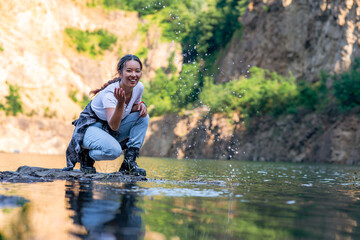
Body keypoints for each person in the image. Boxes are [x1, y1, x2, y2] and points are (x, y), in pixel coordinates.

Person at [63, 54, 149, 176]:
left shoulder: (139, 87)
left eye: (137, 71)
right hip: (90, 129)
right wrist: (120, 102)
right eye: (129, 71)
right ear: (120, 73)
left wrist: (142, 104)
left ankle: (129, 163)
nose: (134, 75)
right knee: (114, 151)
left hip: (107, 130)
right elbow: (114, 125)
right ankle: (86, 154)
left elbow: (130, 108)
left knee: (143, 117)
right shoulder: (110, 94)